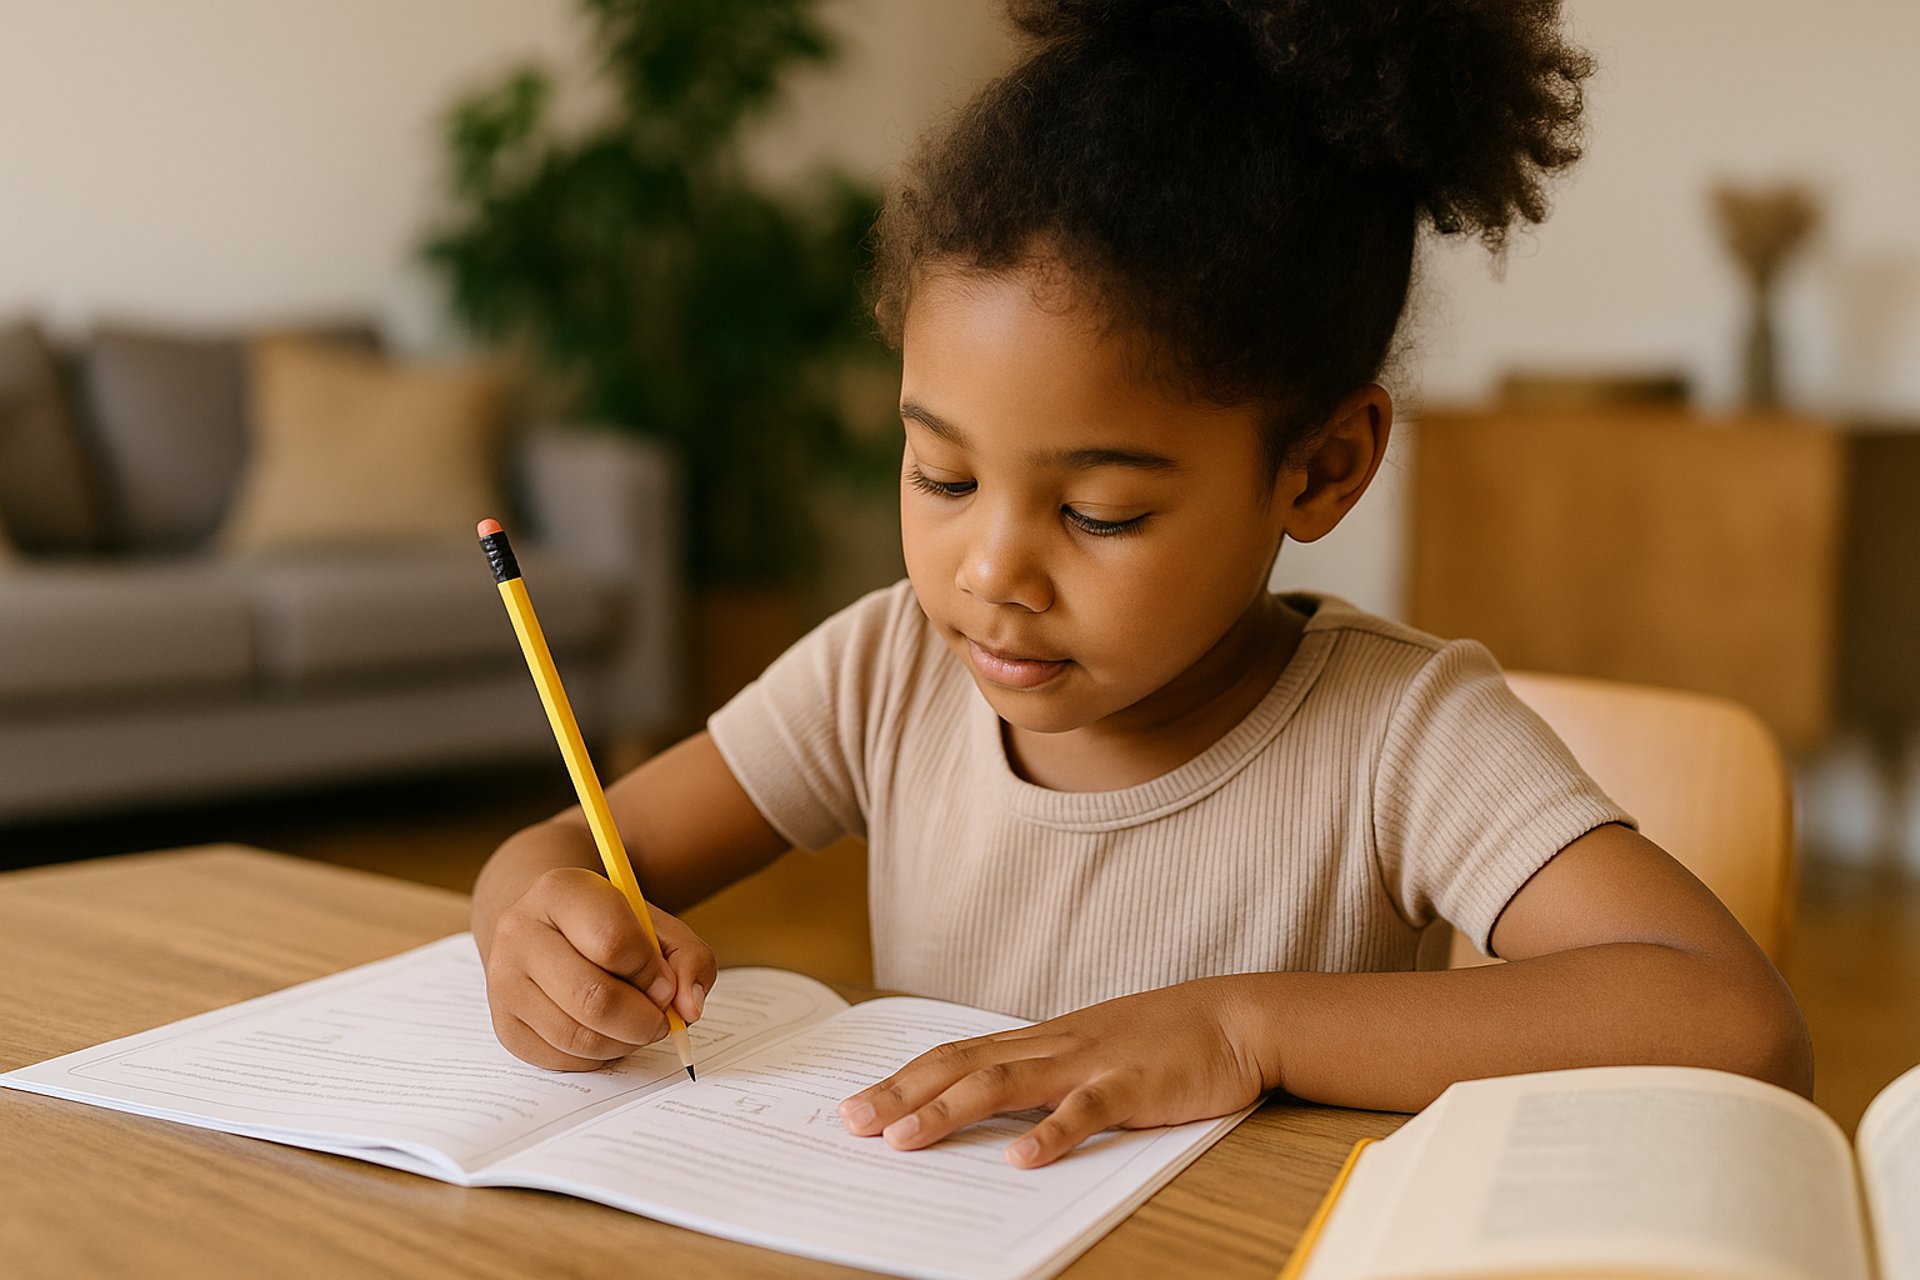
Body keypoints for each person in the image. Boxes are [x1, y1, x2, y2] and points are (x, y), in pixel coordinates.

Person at [471, 0, 1812, 1170]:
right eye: (939, 474)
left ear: (1321, 469)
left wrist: (1245, 1025)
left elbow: (1733, 1023)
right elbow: (561, 857)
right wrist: (528, 923)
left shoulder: (1402, 739)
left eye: (1101, 511)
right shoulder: (884, 672)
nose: (989, 571)